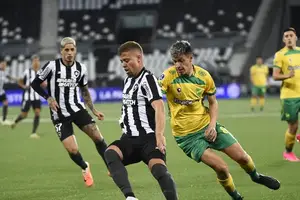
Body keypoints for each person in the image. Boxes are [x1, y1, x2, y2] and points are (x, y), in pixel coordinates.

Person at [159, 40, 280, 200]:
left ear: (190, 58)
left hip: (207, 125)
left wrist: (212, 125)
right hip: (187, 137)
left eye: (181, 60)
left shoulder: (204, 77)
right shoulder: (168, 76)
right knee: (222, 168)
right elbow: (154, 96)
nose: (178, 65)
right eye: (175, 61)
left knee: (242, 157)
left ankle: (256, 176)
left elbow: (213, 102)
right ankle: (236, 197)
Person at [104, 41, 178, 200]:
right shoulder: (127, 81)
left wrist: (159, 135)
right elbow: (128, 109)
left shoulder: (148, 79)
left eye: (127, 60)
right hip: (129, 140)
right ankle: (130, 197)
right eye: (121, 61)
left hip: (148, 139)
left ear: (139, 58)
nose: (123, 64)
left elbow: (159, 107)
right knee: (110, 153)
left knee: (159, 170)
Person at [31, 37, 108, 187]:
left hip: (77, 109)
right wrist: (48, 97)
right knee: (72, 150)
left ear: (76, 51)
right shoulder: (52, 66)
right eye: (66, 50)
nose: (69, 53)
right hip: (59, 114)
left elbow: (84, 91)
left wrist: (93, 110)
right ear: (61, 51)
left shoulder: (81, 68)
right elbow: (35, 83)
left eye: (72, 50)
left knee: (97, 136)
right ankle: (85, 167)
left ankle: (112, 166)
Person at [272, 27, 300, 161]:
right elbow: (275, 76)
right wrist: (288, 75)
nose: (289, 38)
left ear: (296, 38)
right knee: (293, 126)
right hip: (290, 95)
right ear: (284, 40)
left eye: (291, 35)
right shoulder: (280, 55)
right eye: (286, 36)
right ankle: (288, 152)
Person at [10, 55, 43, 138]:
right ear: (32, 62)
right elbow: (20, 81)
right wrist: (24, 86)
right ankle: (15, 121)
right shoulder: (26, 72)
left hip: (37, 96)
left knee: (37, 112)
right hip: (27, 96)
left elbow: (42, 83)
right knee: (24, 115)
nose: (36, 63)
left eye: (37, 61)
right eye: (35, 61)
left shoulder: (41, 72)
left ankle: (34, 133)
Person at [0, 60, 11, 125]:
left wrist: (18, 80)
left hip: (1, 91)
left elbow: (9, 77)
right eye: (2, 64)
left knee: (6, 103)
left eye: (5, 65)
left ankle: (4, 119)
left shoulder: (4, 72)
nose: (4, 66)